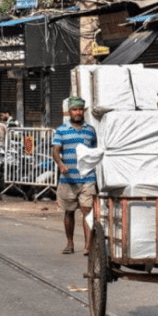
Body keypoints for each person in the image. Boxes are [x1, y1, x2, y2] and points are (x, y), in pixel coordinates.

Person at [51, 97, 99, 256]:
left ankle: (88, 246)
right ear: (69, 111)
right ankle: (70, 243)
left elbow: (94, 152)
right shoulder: (61, 130)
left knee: (87, 212)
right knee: (69, 212)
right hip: (68, 180)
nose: (77, 112)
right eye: (74, 109)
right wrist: (61, 164)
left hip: (87, 178)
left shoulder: (90, 130)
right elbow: (55, 151)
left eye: (80, 109)